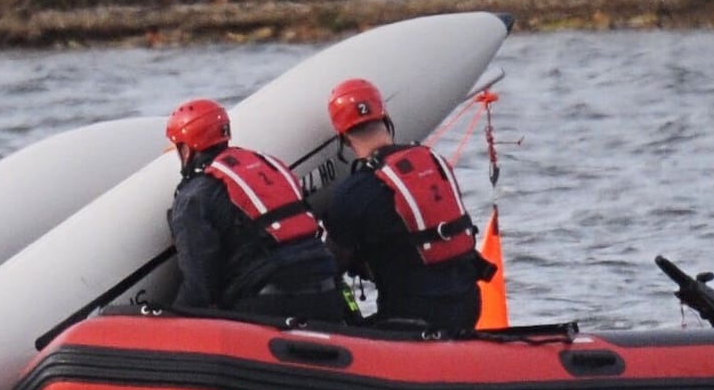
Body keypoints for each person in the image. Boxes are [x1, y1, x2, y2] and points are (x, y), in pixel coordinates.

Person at [316, 78, 491, 333]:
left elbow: (329, 266)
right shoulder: (433, 162)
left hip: (413, 319)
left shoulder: (353, 192)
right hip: (470, 306)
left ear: (343, 138)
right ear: (386, 119)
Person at [164, 98, 347, 321]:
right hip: (328, 291)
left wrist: (165, 321)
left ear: (185, 150)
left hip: (269, 306)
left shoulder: (194, 196)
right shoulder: (270, 165)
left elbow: (199, 287)